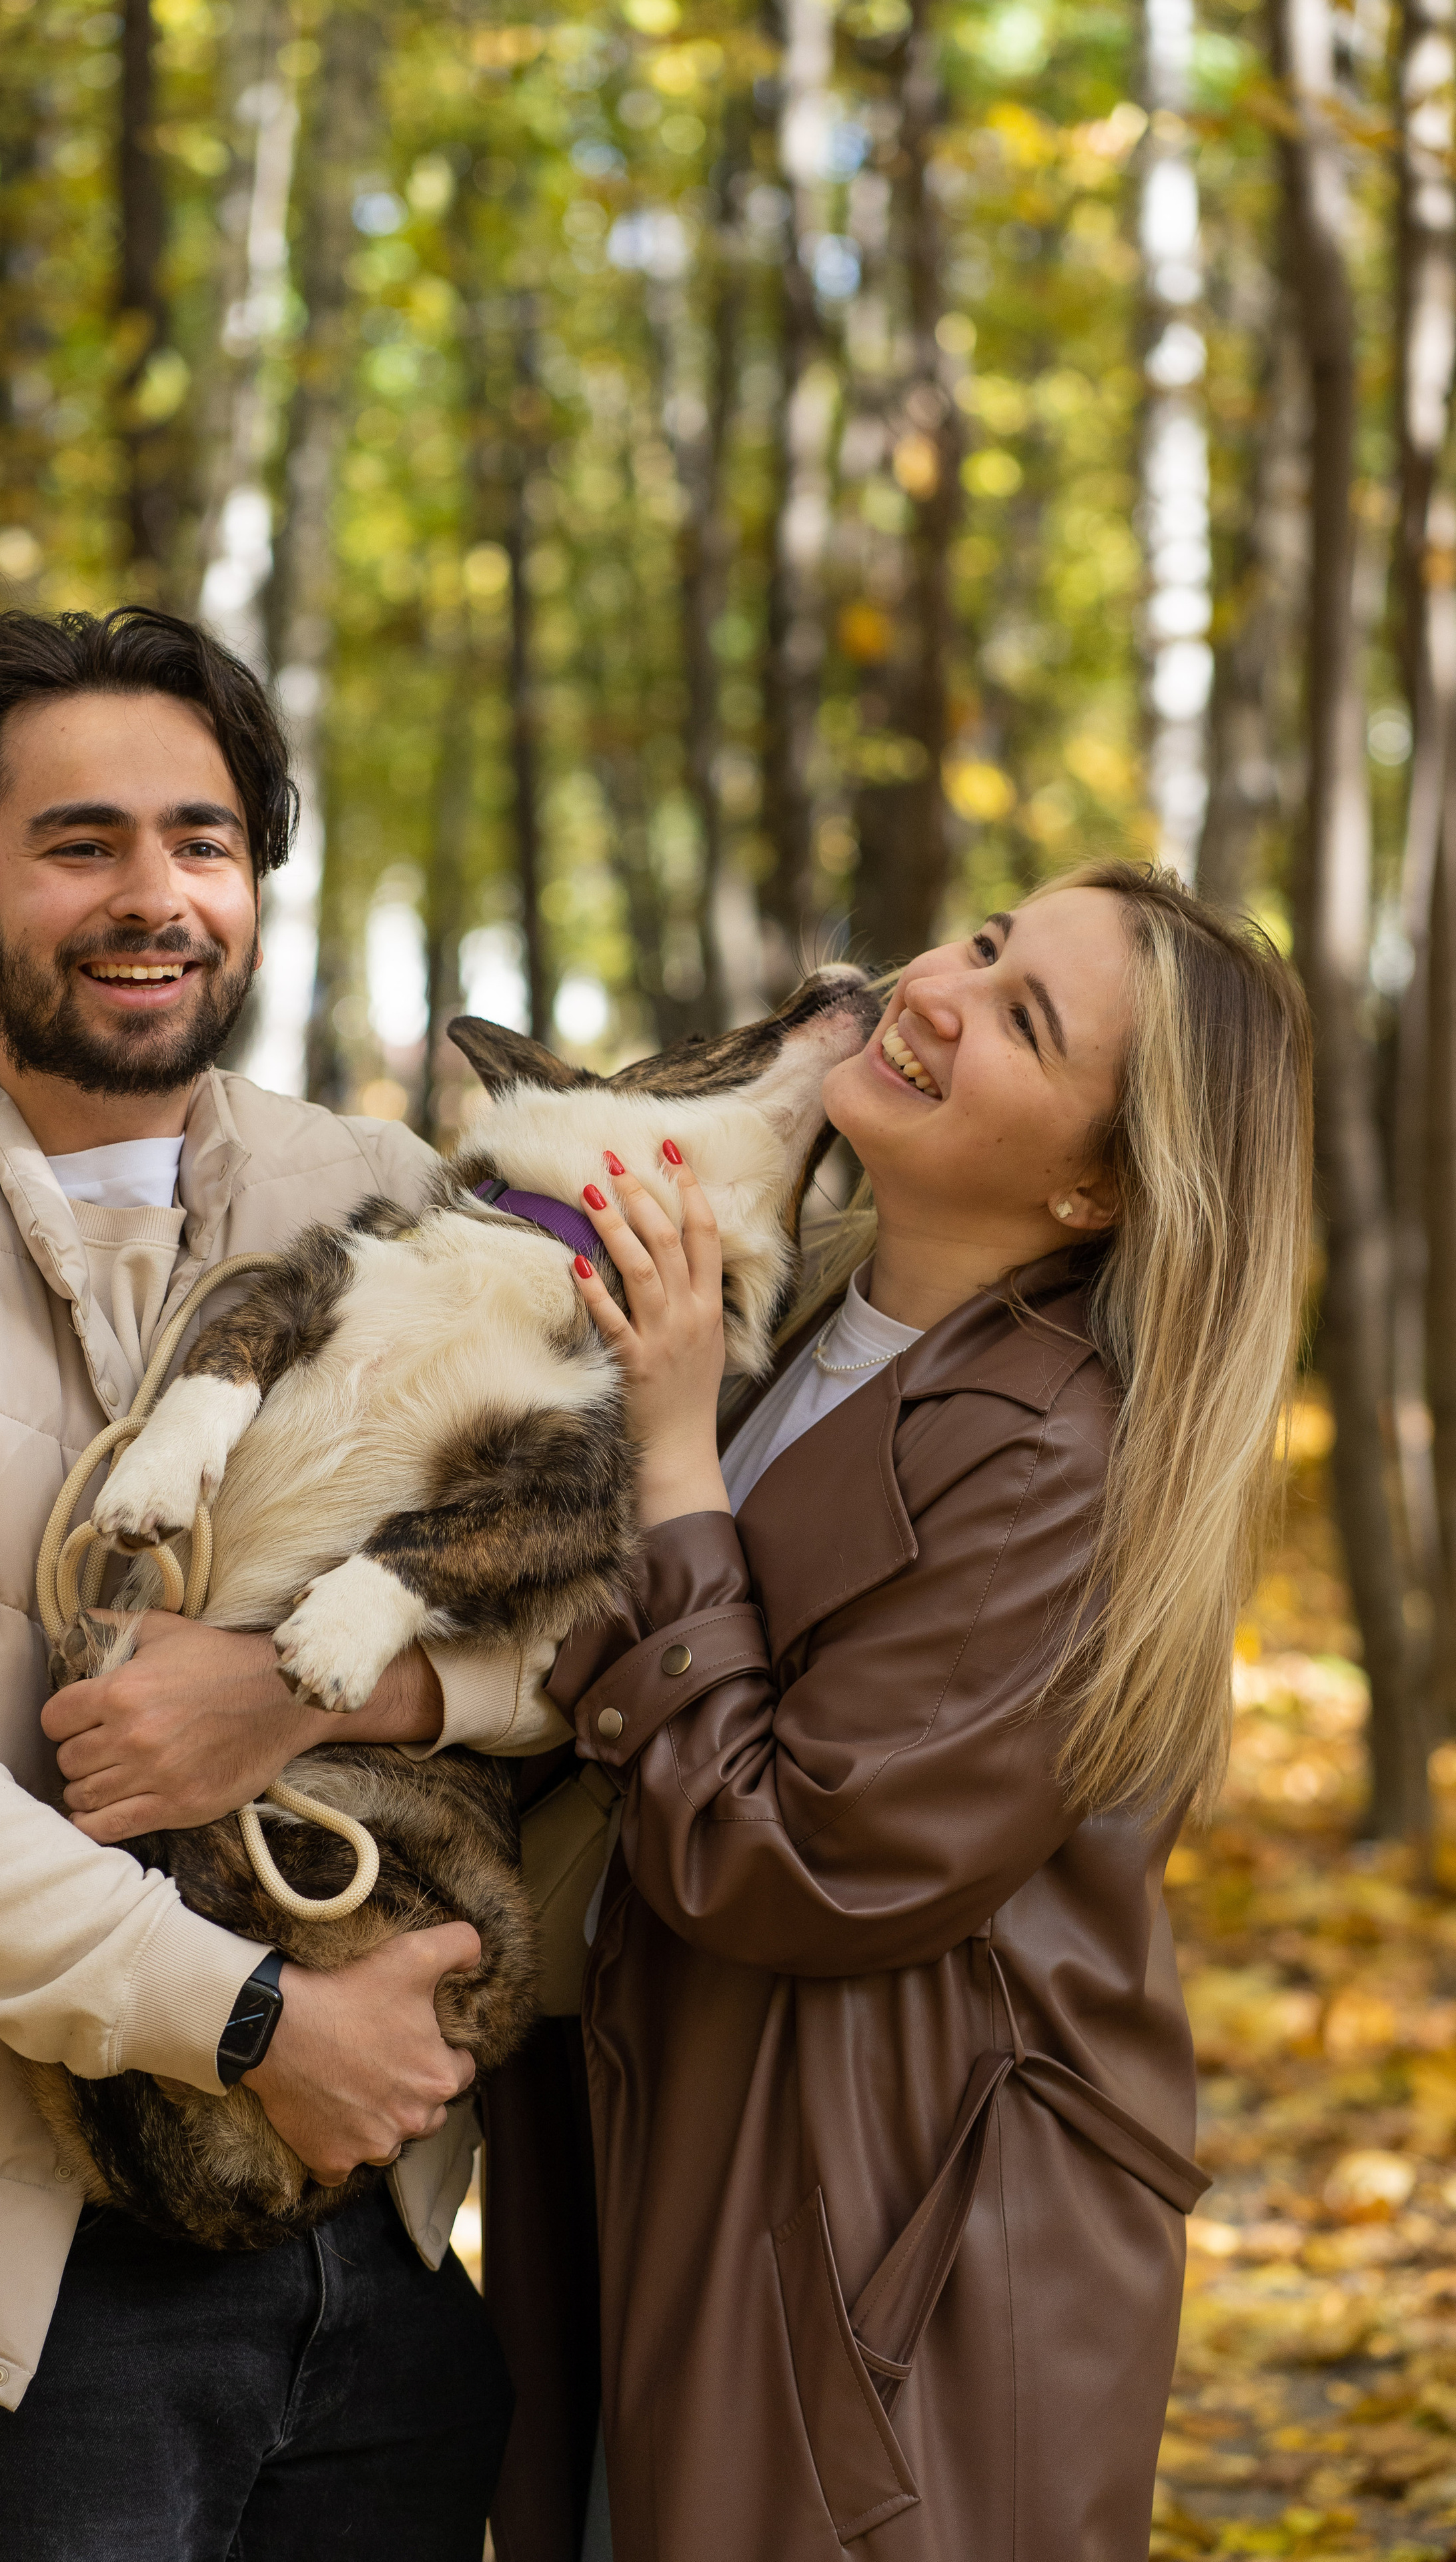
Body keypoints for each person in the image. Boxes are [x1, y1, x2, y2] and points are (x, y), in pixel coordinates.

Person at [0, 605, 562, 2562]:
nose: (155, 897)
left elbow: (578, 1615)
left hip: (371, 2233)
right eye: (81, 844)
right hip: (9, 2268)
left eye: (202, 842)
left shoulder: (374, 1188)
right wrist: (269, 2024)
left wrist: (318, 1693)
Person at [523, 864, 1313, 2559]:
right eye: (982, 943)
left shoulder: (1061, 1460)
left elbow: (793, 1859)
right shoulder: (797, 1304)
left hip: (882, 2254)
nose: (935, 991)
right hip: (679, 2155)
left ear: (1099, 1182)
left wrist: (669, 1461)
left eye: (1021, 1018)